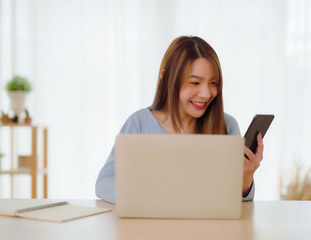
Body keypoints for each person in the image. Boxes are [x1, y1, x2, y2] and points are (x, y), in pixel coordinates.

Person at [96, 36, 263, 204]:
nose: (206, 94)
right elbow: (104, 182)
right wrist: (148, 198)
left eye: (213, 83)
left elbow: (238, 200)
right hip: (150, 228)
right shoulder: (139, 123)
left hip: (209, 228)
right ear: (167, 78)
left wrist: (246, 178)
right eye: (195, 82)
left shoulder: (227, 125)